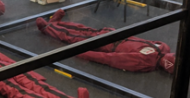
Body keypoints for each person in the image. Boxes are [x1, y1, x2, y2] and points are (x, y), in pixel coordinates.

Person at [36, 8, 176, 74]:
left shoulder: (145, 62)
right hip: (114, 35)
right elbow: (141, 39)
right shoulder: (163, 48)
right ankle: (56, 23)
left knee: (72, 37)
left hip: (107, 44)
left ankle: (47, 28)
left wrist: (83, 53)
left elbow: (110, 59)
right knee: (82, 29)